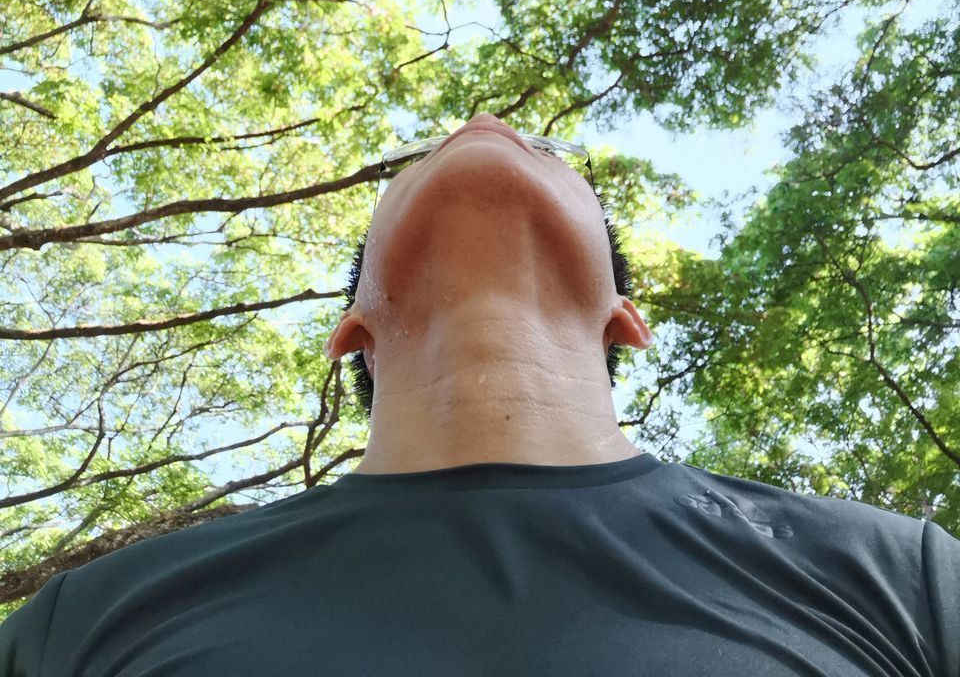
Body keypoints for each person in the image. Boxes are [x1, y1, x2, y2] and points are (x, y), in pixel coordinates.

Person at [1, 112, 958, 675]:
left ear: (624, 317)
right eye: (421, 154)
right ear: (351, 334)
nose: (484, 125)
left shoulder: (901, 578)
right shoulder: (86, 619)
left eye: (544, 146)